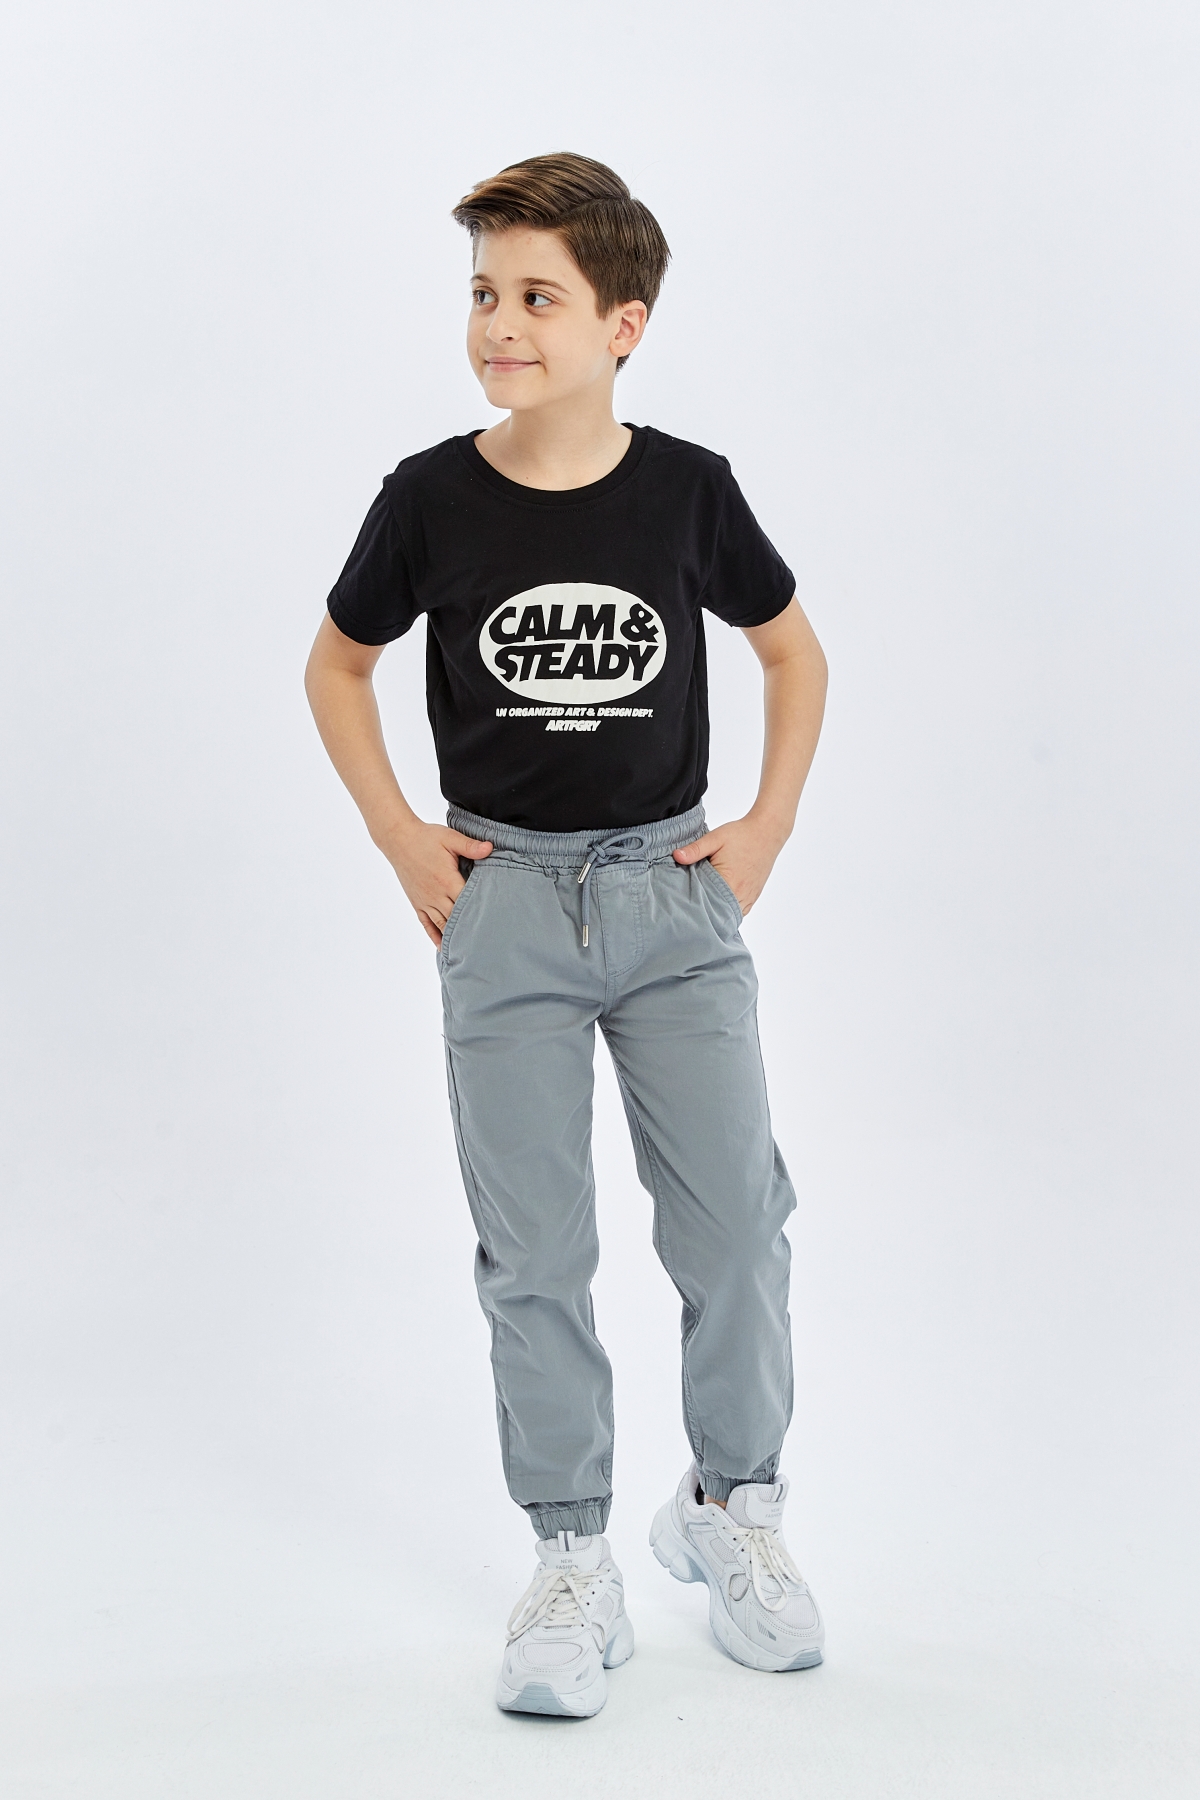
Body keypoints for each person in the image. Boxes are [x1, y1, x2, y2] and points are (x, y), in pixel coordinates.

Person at [304, 152, 829, 1718]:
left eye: (538, 297)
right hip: (506, 908)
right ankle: (571, 1555)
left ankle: (733, 1508)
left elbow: (794, 655)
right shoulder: (428, 499)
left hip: (674, 902)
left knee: (734, 1225)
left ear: (624, 325)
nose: (499, 325)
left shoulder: (690, 491)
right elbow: (337, 666)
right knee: (535, 1252)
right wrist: (403, 835)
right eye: (484, 293)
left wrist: (763, 829)